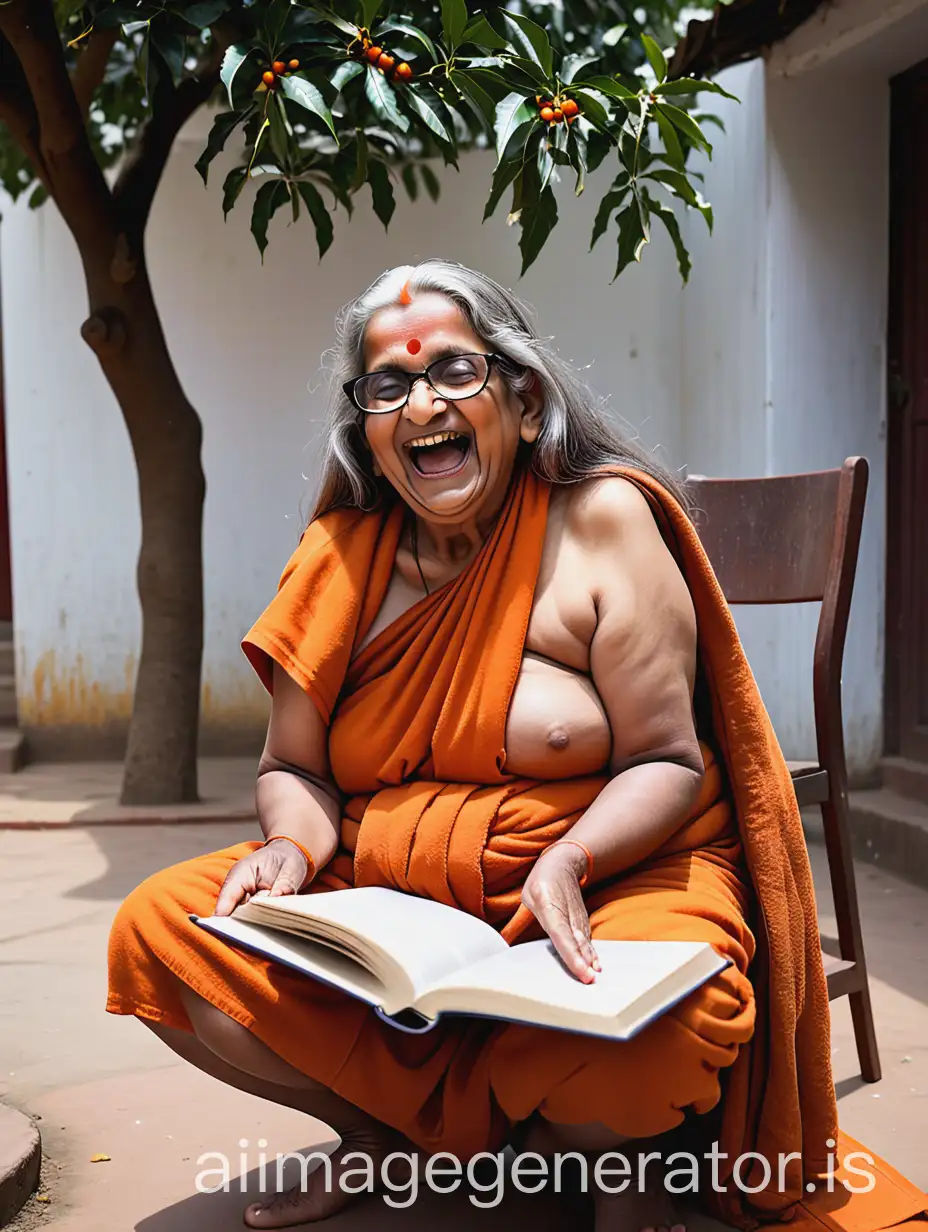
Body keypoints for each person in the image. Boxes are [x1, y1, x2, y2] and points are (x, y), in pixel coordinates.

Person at [107, 261, 926, 1232]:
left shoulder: (602, 522)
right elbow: (295, 767)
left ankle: (606, 1171)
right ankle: (384, 1143)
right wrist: (289, 845)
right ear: (366, 423)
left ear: (525, 400)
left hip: (609, 879)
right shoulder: (341, 552)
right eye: (389, 384)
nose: (422, 401)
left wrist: (571, 858)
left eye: (455, 370)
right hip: (393, 896)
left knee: (666, 1017)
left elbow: (668, 757)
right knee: (165, 933)